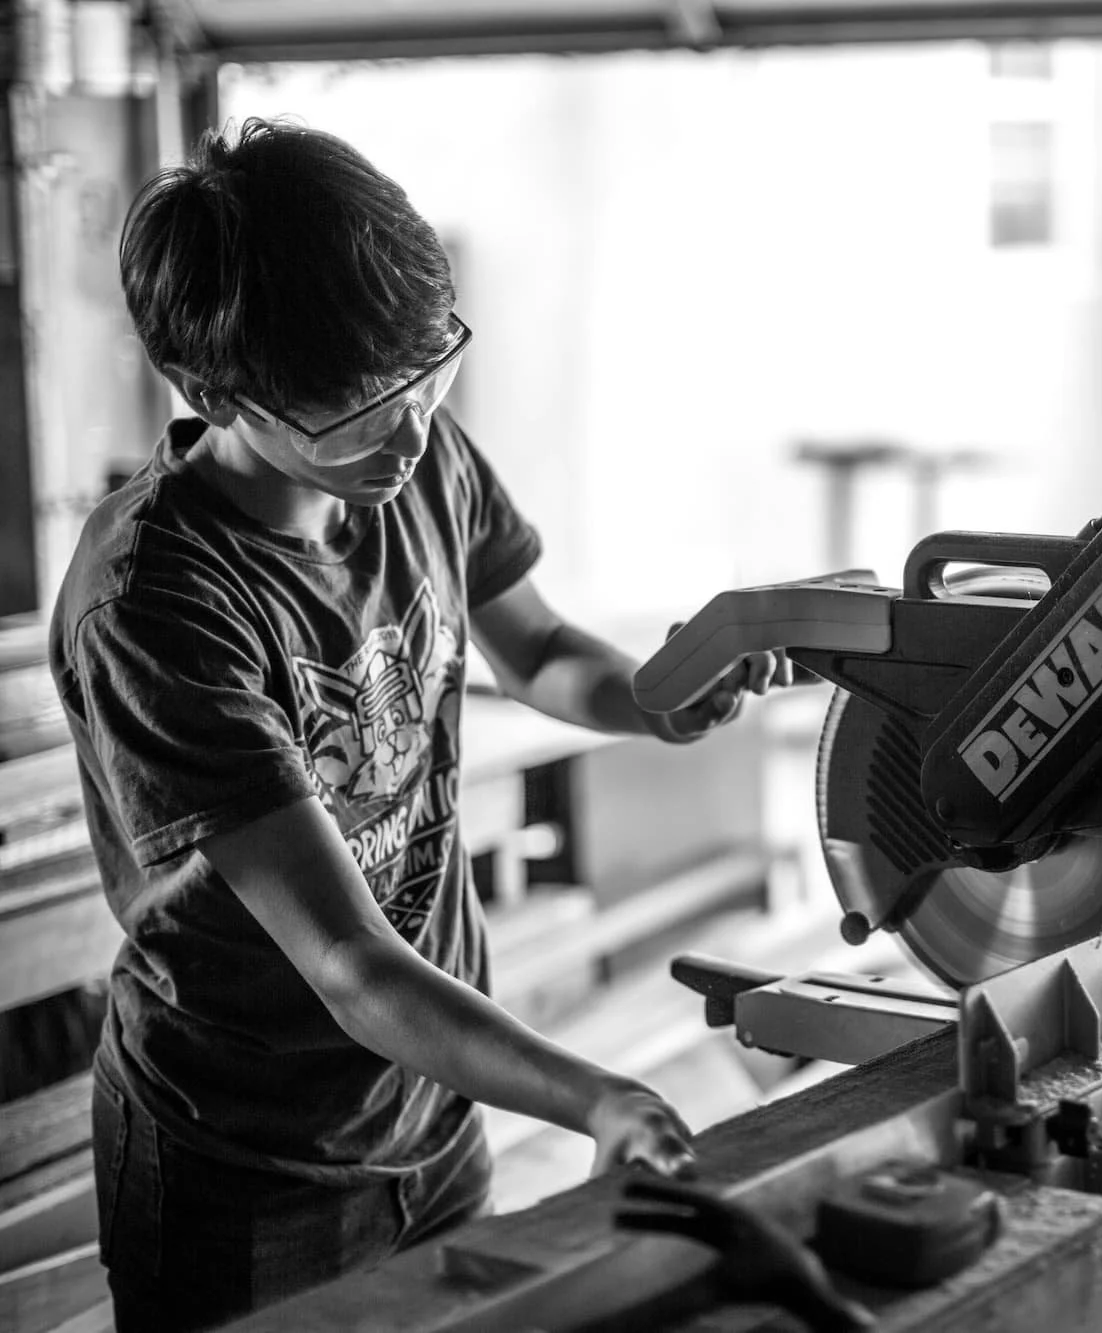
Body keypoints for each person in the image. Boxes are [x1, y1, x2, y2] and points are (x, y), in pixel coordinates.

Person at [49, 118, 784, 1333]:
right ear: (211, 391)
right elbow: (347, 962)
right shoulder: (157, 605)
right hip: (248, 1167)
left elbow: (539, 650)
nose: (408, 426)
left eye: (427, 373)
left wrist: (654, 697)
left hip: (434, 1109)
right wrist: (593, 1097)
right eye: (355, 407)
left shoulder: (411, 448)